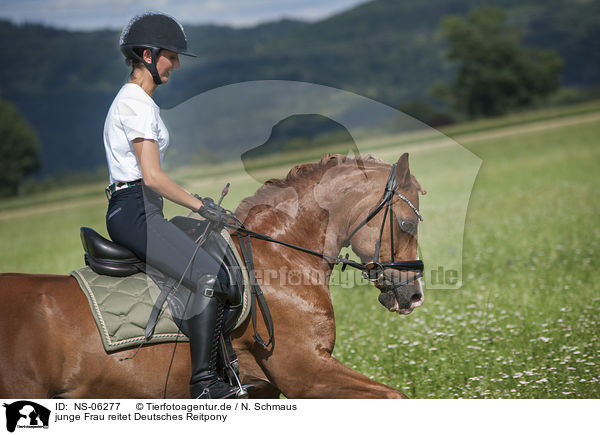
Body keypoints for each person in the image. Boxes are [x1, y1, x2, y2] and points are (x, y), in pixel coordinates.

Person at [103, 12, 240, 399]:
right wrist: (202, 207)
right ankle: (204, 384)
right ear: (147, 54)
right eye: (172, 55)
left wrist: (202, 207)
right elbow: (153, 177)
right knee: (209, 278)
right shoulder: (136, 104)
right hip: (135, 211)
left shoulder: (141, 102)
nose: (176, 64)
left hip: (145, 208)